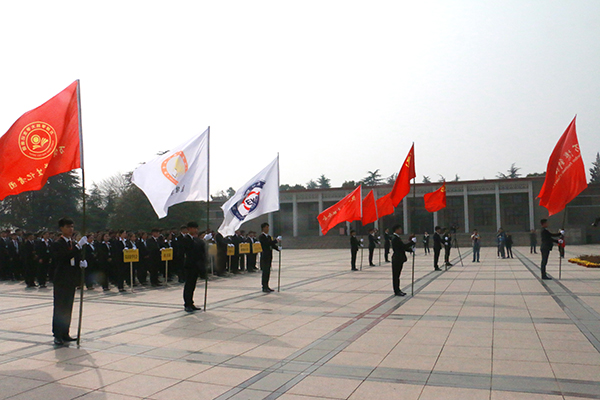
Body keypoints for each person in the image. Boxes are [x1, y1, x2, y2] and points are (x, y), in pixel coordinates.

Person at [51, 217, 85, 345]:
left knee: (68, 307)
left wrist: (81, 263)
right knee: (60, 307)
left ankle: (65, 332)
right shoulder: (58, 243)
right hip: (61, 280)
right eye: (68, 227)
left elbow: (74, 257)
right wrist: (78, 246)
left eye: (72, 227)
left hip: (71, 279)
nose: (71, 229)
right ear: (61, 228)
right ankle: (57, 334)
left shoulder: (71, 243)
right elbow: (64, 257)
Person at [391, 224, 415, 296]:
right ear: (396, 230)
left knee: (397, 275)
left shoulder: (397, 237)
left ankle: (398, 289)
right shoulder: (395, 238)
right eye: (400, 229)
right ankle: (396, 291)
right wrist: (412, 242)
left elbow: (402, 248)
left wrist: (411, 250)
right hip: (397, 258)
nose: (401, 230)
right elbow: (402, 247)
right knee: (396, 276)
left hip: (399, 258)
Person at [258, 222, 280, 293]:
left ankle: (267, 285)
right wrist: (276, 241)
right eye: (266, 227)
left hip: (269, 256)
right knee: (265, 271)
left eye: (268, 227)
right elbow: (267, 244)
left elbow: (272, 245)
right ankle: (264, 286)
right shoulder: (261, 237)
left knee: (268, 271)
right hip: (264, 256)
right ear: (263, 228)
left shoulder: (269, 237)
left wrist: (277, 248)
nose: (268, 229)